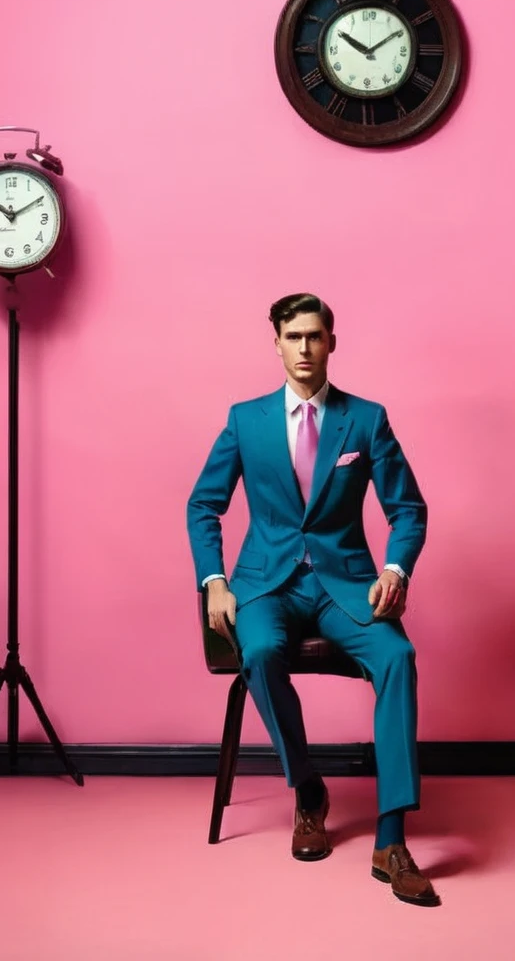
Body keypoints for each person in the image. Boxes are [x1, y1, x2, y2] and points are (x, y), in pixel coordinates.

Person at [187, 292, 437, 907]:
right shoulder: (246, 420)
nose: (304, 348)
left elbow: (408, 509)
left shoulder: (366, 420)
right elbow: (203, 506)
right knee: (263, 653)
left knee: (397, 659)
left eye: (314, 337)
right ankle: (307, 790)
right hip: (266, 584)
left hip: (345, 584)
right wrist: (214, 581)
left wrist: (396, 568)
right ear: (276, 343)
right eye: (292, 337)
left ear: (331, 342)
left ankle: (392, 837)